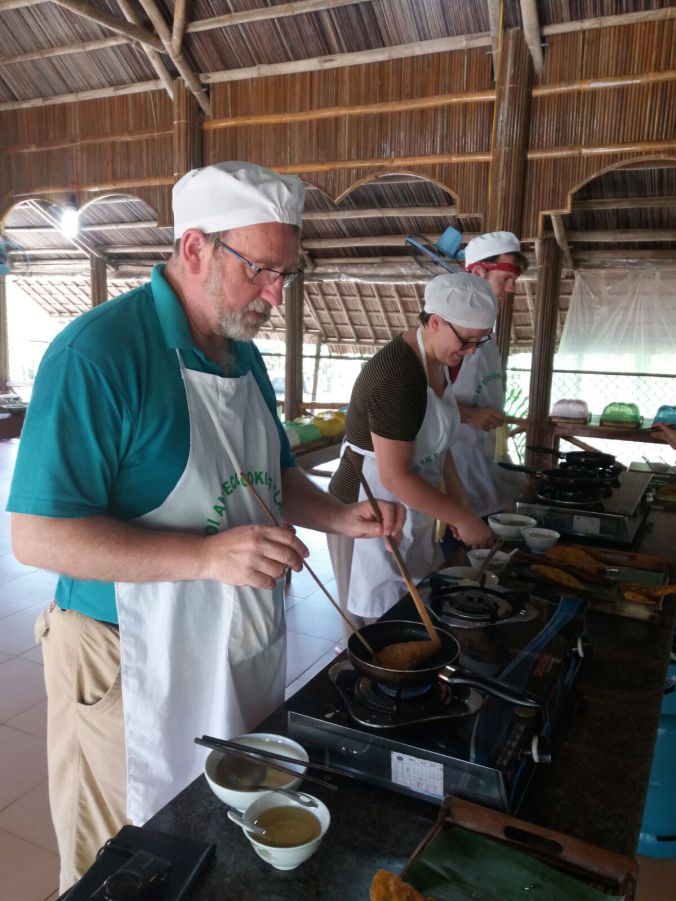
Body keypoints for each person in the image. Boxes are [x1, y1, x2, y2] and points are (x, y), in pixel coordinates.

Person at [7, 161, 404, 892]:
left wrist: (340, 514)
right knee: (120, 860)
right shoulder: (99, 354)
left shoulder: (244, 356)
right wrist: (206, 555)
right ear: (195, 249)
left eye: (287, 273)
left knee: (221, 837)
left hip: (233, 642)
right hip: (126, 657)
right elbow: (37, 534)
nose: (275, 295)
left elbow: (270, 478)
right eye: (260, 270)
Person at [327, 272, 494, 634]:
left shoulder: (436, 361)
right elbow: (394, 476)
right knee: (373, 629)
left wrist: (458, 503)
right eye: (466, 342)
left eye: (478, 343)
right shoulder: (398, 377)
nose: (470, 353)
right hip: (365, 504)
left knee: (410, 611)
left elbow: (438, 443)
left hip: (409, 504)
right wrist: (463, 519)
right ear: (436, 322)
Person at [450, 231, 530, 517]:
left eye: (514, 281)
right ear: (480, 272)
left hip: (481, 460)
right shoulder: (447, 332)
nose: (511, 289)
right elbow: (412, 401)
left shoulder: (489, 334)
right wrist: (469, 414)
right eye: (505, 279)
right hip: (452, 467)